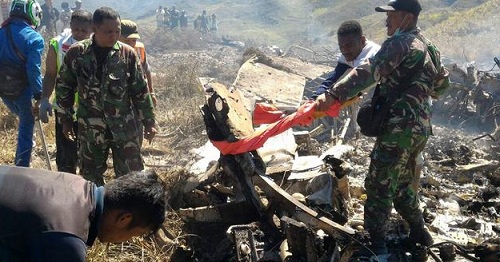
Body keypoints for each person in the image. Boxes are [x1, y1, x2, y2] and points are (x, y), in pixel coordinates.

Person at [316, 0, 449, 258]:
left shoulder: (400, 44)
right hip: (420, 129)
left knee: (378, 185)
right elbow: (442, 86)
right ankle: (420, 232)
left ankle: (375, 247)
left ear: (407, 18)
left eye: (392, 15)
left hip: (398, 129)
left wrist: (334, 95)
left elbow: (368, 72)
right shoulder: (430, 47)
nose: (387, 21)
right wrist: (418, 92)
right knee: (400, 184)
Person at [55, 7, 157, 186]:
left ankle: (127, 211)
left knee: (131, 179)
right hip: (90, 130)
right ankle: (96, 212)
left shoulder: (127, 55)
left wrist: (149, 121)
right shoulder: (77, 54)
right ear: (94, 29)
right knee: (90, 179)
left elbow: (140, 91)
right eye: (108, 32)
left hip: (124, 129)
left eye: (117, 31)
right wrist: (66, 120)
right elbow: (64, 87)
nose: (114, 36)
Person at [0, 165, 167, 261]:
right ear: (124, 219)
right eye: (135, 235)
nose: (127, 241)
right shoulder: (67, 242)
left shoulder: (76, 183)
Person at [38, 10, 93, 174]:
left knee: (89, 155)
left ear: (92, 29)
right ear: (70, 26)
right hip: (64, 108)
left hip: (90, 108)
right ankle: (65, 190)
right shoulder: (58, 44)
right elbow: (50, 74)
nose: (80, 34)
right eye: (76, 29)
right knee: (66, 155)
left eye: (84, 30)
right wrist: (44, 99)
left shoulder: (98, 45)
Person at [311, 20, 380, 136]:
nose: (344, 51)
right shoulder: (347, 55)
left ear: (362, 41)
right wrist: (313, 99)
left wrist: (328, 99)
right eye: (341, 46)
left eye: (349, 45)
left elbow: (356, 86)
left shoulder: (371, 56)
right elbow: (333, 78)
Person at [0, 0, 44, 167]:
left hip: (4, 90)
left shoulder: (1, 31)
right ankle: (22, 166)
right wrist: (39, 95)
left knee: (23, 120)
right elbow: (33, 70)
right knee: (26, 127)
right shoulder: (34, 38)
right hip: (23, 91)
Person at [120, 19, 157, 147]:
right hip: (120, 97)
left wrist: (151, 92)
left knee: (138, 125)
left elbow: (146, 68)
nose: (131, 43)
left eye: (133, 40)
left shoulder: (139, 48)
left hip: (138, 95)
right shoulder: (112, 50)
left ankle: (136, 153)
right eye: (127, 40)